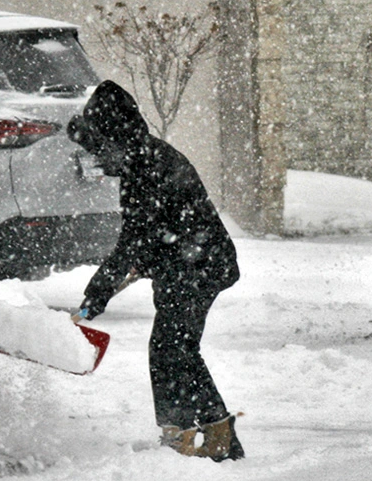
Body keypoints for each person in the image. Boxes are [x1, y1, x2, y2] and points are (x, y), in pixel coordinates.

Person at [67, 80, 244, 462]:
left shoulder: (150, 166)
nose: (98, 160)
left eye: (100, 149)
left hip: (199, 264)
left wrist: (97, 292)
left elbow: (134, 240)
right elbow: (143, 239)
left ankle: (189, 435)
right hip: (185, 263)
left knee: (171, 348)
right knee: (174, 348)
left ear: (116, 137)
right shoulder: (140, 160)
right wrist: (108, 285)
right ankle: (209, 434)